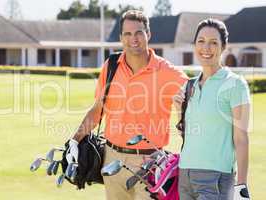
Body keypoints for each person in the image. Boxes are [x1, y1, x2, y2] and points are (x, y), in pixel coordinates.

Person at [66, 10, 188, 200]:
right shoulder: (111, 65)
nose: (134, 39)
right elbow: (98, 109)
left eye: (139, 33)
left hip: (150, 164)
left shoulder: (168, 72)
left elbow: (197, 98)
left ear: (148, 34)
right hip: (111, 159)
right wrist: (75, 140)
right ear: (121, 37)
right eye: (128, 34)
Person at [173, 18, 251, 200]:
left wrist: (241, 187)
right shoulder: (189, 85)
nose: (206, 48)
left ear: (223, 46)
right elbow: (189, 135)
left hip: (216, 177)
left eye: (213, 43)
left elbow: (241, 139)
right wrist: (180, 111)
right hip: (185, 175)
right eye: (201, 41)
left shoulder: (234, 84)